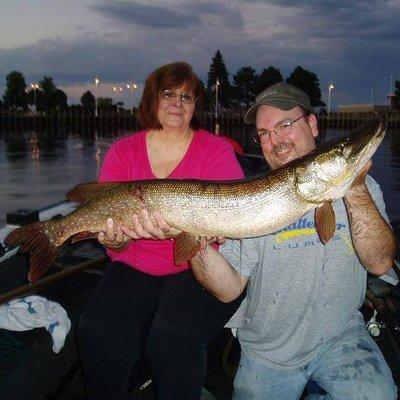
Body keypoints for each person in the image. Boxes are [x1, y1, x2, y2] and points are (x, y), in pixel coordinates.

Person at [189, 82, 398, 399]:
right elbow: (228, 288)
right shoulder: (249, 199)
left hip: (342, 337)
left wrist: (353, 188)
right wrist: (194, 240)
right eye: (264, 133)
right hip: (268, 351)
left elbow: (380, 262)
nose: (274, 140)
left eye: (284, 125)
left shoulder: (365, 187)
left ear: (312, 124)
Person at [77, 62, 244, 400]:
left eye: (187, 96)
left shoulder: (216, 151)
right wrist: (116, 242)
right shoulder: (123, 152)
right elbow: (111, 235)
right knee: (95, 332)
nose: (177, 103)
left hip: (195, 269)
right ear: (153, 99)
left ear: (196, 105)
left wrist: (217, 232)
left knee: (172, 341)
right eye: (168, 94)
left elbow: (234, 212)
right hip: (134, 264)